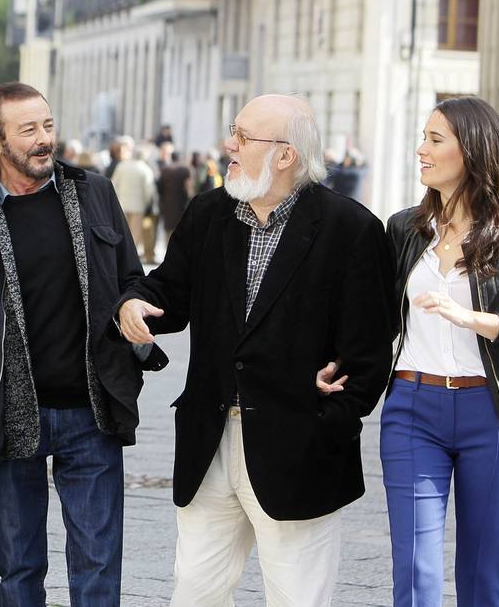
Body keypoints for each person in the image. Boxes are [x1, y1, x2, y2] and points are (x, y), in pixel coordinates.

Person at [118, 94, 394, 606]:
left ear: (285, 155)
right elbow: (170, 292)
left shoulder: (351, 230)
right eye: (233, 131)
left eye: (243, 137)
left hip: (299, 451)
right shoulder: (209, 213)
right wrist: (135, 303)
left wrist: (328, 419)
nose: (229, 144)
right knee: (193, 594)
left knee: (296, 599)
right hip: (209, 441)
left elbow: (371, 350)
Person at [0, 82, 166, 606]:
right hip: (8, 412)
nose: (44, 140)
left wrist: (133, 310)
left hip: (92, 410)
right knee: (19, 572)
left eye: (47, 126)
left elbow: (133, 277)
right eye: (28, 131)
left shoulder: (95, 193)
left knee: (98, 568)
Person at [379, 96, 499, 606]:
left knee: (482, 576)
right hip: (413, 410)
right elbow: (374, 318)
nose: (421, 150)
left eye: (435, 140)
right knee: (414, 576)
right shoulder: (404, 229)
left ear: (474, 151)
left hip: (492, 415)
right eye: (424, 137)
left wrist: (473, 319)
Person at [110, 143, 158, 263]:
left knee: (121, 230)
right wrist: (147, 204)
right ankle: (130, 257)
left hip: (122, 203)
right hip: (138, 206)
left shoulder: (122, 166)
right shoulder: (145, 169)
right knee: (134, 233)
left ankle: (119, 254)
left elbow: (113, 184)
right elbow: (149, 190)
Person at [156, 150, 193, 241]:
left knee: (168, 228)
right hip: (181, 203)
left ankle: (167, 248)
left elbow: (159, 187)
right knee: (179, 227)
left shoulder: (165, 170)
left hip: (167, 203)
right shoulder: (185, 170)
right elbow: (188, 187)